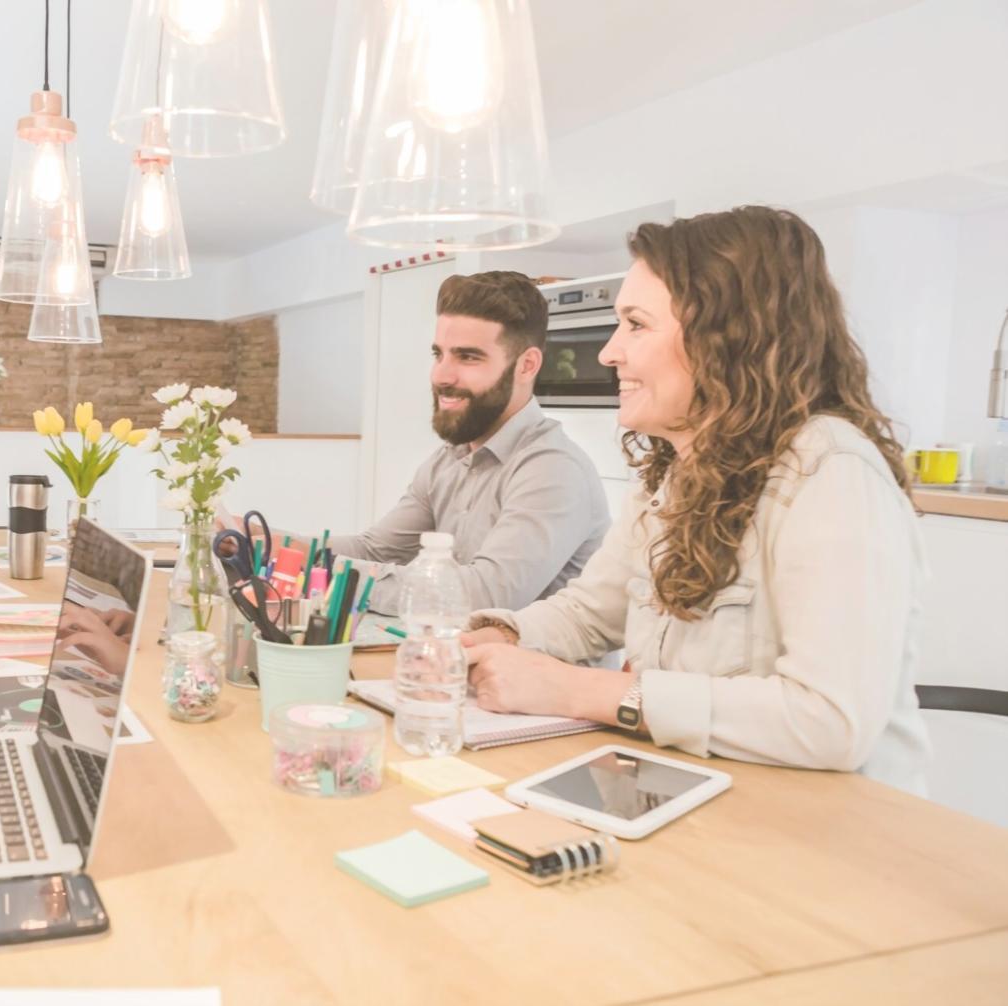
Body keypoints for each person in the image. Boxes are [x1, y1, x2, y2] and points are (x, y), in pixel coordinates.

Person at [462, 207, 929, 793]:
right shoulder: (675, 471)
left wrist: (584, 691)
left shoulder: (831, 473)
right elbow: (589, 612)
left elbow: (830, 722)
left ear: (727, 336)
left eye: (635, 324)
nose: (609, 353)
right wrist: (492, 638)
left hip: (838, 837)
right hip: (700, 794)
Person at [322, 270, 610, 614]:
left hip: (530, 667)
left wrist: (331, 574)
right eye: (438, 354)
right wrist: (264, 545)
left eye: (468, 357)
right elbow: (373, 550)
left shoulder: (553, 470)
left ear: (527, 365)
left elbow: (481, 597)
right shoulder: (450, 459)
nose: (441, 375)